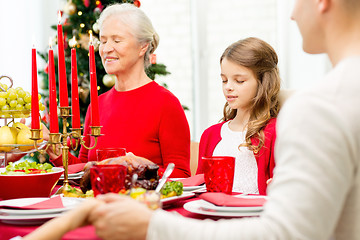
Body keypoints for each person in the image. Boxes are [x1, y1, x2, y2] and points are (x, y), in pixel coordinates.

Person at [22, 0, 360, 239]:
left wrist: (151, 224)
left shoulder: (319, 108)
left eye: (117, 39)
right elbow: (82, 166)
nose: (291, 13)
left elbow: (283, 232)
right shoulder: (329, 101)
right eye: (103, 40)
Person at [48, 3, 191, 177]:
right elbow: (85, 169)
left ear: (143, 46)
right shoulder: (97, 104)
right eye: (103, 40)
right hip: (100, 203)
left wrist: (140, 167)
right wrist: (57, 155)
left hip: (142, 203)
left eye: (117, 40)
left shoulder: (166, 104)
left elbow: (182, 175)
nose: (106, 48)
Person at [196, 37, 280, 195]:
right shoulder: (210, 135)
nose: (228, 87)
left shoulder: (275, 132)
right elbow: (198, 190)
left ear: (263, 82)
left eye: (239, 81)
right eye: (224, 80)